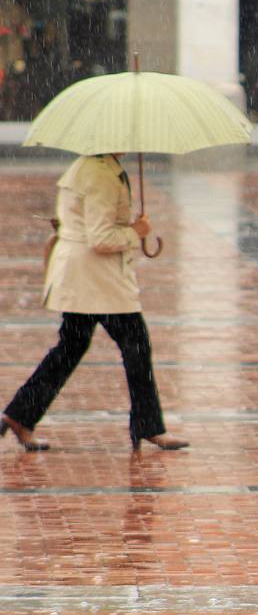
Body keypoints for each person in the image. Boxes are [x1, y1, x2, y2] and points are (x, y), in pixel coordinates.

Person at [2, 154, 188, 453]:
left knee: (71, 348)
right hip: (98, 281)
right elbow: (100, 238)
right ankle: (148, 426)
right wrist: (135, 232)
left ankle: (20, 415)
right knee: (135, 346)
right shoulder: (101, 176)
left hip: (82, 278)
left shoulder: (84, 167)